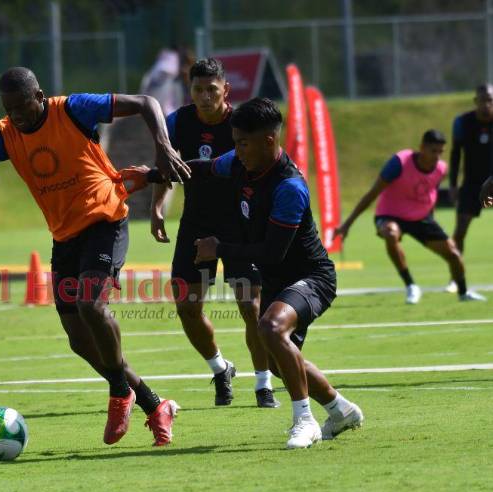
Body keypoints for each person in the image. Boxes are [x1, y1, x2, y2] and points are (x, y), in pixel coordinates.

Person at [0, 67, 190, 446]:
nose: (17, 116)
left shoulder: (73, 109)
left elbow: (147, 102)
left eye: (22, 107)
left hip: (105, 219)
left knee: (91, 306)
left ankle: (119, 392)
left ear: (39, 96)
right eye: (10, 109)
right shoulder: (4, 134)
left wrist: (163, 146)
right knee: (79, 338)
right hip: (65, 236)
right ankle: (153, 404)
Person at [135, 98, 363, 449]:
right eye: (236, 142)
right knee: (277, 359)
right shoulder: (240, 162)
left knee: (270, 328)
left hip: (311, 278)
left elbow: (272, 252)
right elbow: (203, 169)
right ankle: (340, 409)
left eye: (242, 143)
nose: (236, 151)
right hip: (277, 281)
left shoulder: (289, 187)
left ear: (269, 140)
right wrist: (150, 175)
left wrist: (219, 249)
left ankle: (304, 421)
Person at [151, 57, 278, 408]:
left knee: (251, 307)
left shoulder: (242, 123)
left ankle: (263, 384)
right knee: (187, 307)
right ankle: (221, 369)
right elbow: (165, 165)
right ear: (189, 91)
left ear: (226, 89)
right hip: (195, 223)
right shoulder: (178, 122)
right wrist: (157, 207)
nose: (205, 96)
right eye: (198, 90)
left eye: (212, 89)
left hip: (239, 224)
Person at [336, 130, 485, 304]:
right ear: (421, 148)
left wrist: (432, 219)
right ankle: (411, 286)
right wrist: (347, 224)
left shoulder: (441, 168)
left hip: (421, 218)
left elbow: (431, 193)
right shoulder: (399, 163)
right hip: (390, 214)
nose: (437, 156)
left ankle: (464, 293)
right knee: (391, 234)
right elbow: (372, 193)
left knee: (453, 254)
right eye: (433, 151)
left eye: (440, 152)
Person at [447, 84, 493, 291]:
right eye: (483, 100)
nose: (486, 104)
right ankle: (455, 278)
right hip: (472, 185)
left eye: (490, 100)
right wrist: (453, 184)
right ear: (476, 101)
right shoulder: (463, 123)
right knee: (460, 232)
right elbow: (455, 154)